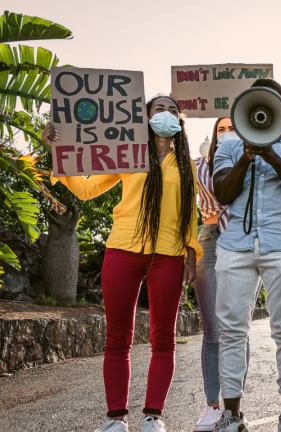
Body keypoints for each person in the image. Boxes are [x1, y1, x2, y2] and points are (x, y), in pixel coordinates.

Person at [43, 95, 202, 432]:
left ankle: (152, 417)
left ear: (180, 120)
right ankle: (115, 419)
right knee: (117, 337)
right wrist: (57, 150)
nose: (167, 114)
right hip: (122, 249)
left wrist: (191, 253)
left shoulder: (186, 164)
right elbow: (86, 189)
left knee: (164, 338)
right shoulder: (128, 154)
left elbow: (190, 212)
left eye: (173, 110)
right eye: (159, 109)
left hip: (169, 255)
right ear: (144, 117)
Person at [210, 78, 281, 432]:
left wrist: (270, 152)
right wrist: (246, 155)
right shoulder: (227, 147)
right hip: (234, 246)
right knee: (231, 331)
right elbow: (223, 192)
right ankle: (232, 413)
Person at [192, 117, 252, 432]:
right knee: (213, 329)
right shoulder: (200, 164)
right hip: (210, 239)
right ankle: (212, 406)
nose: (227, 133)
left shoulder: (253, 161)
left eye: (232, 128)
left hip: (240, 240)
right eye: (221, 129)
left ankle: (234, 407)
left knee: (237, 329)